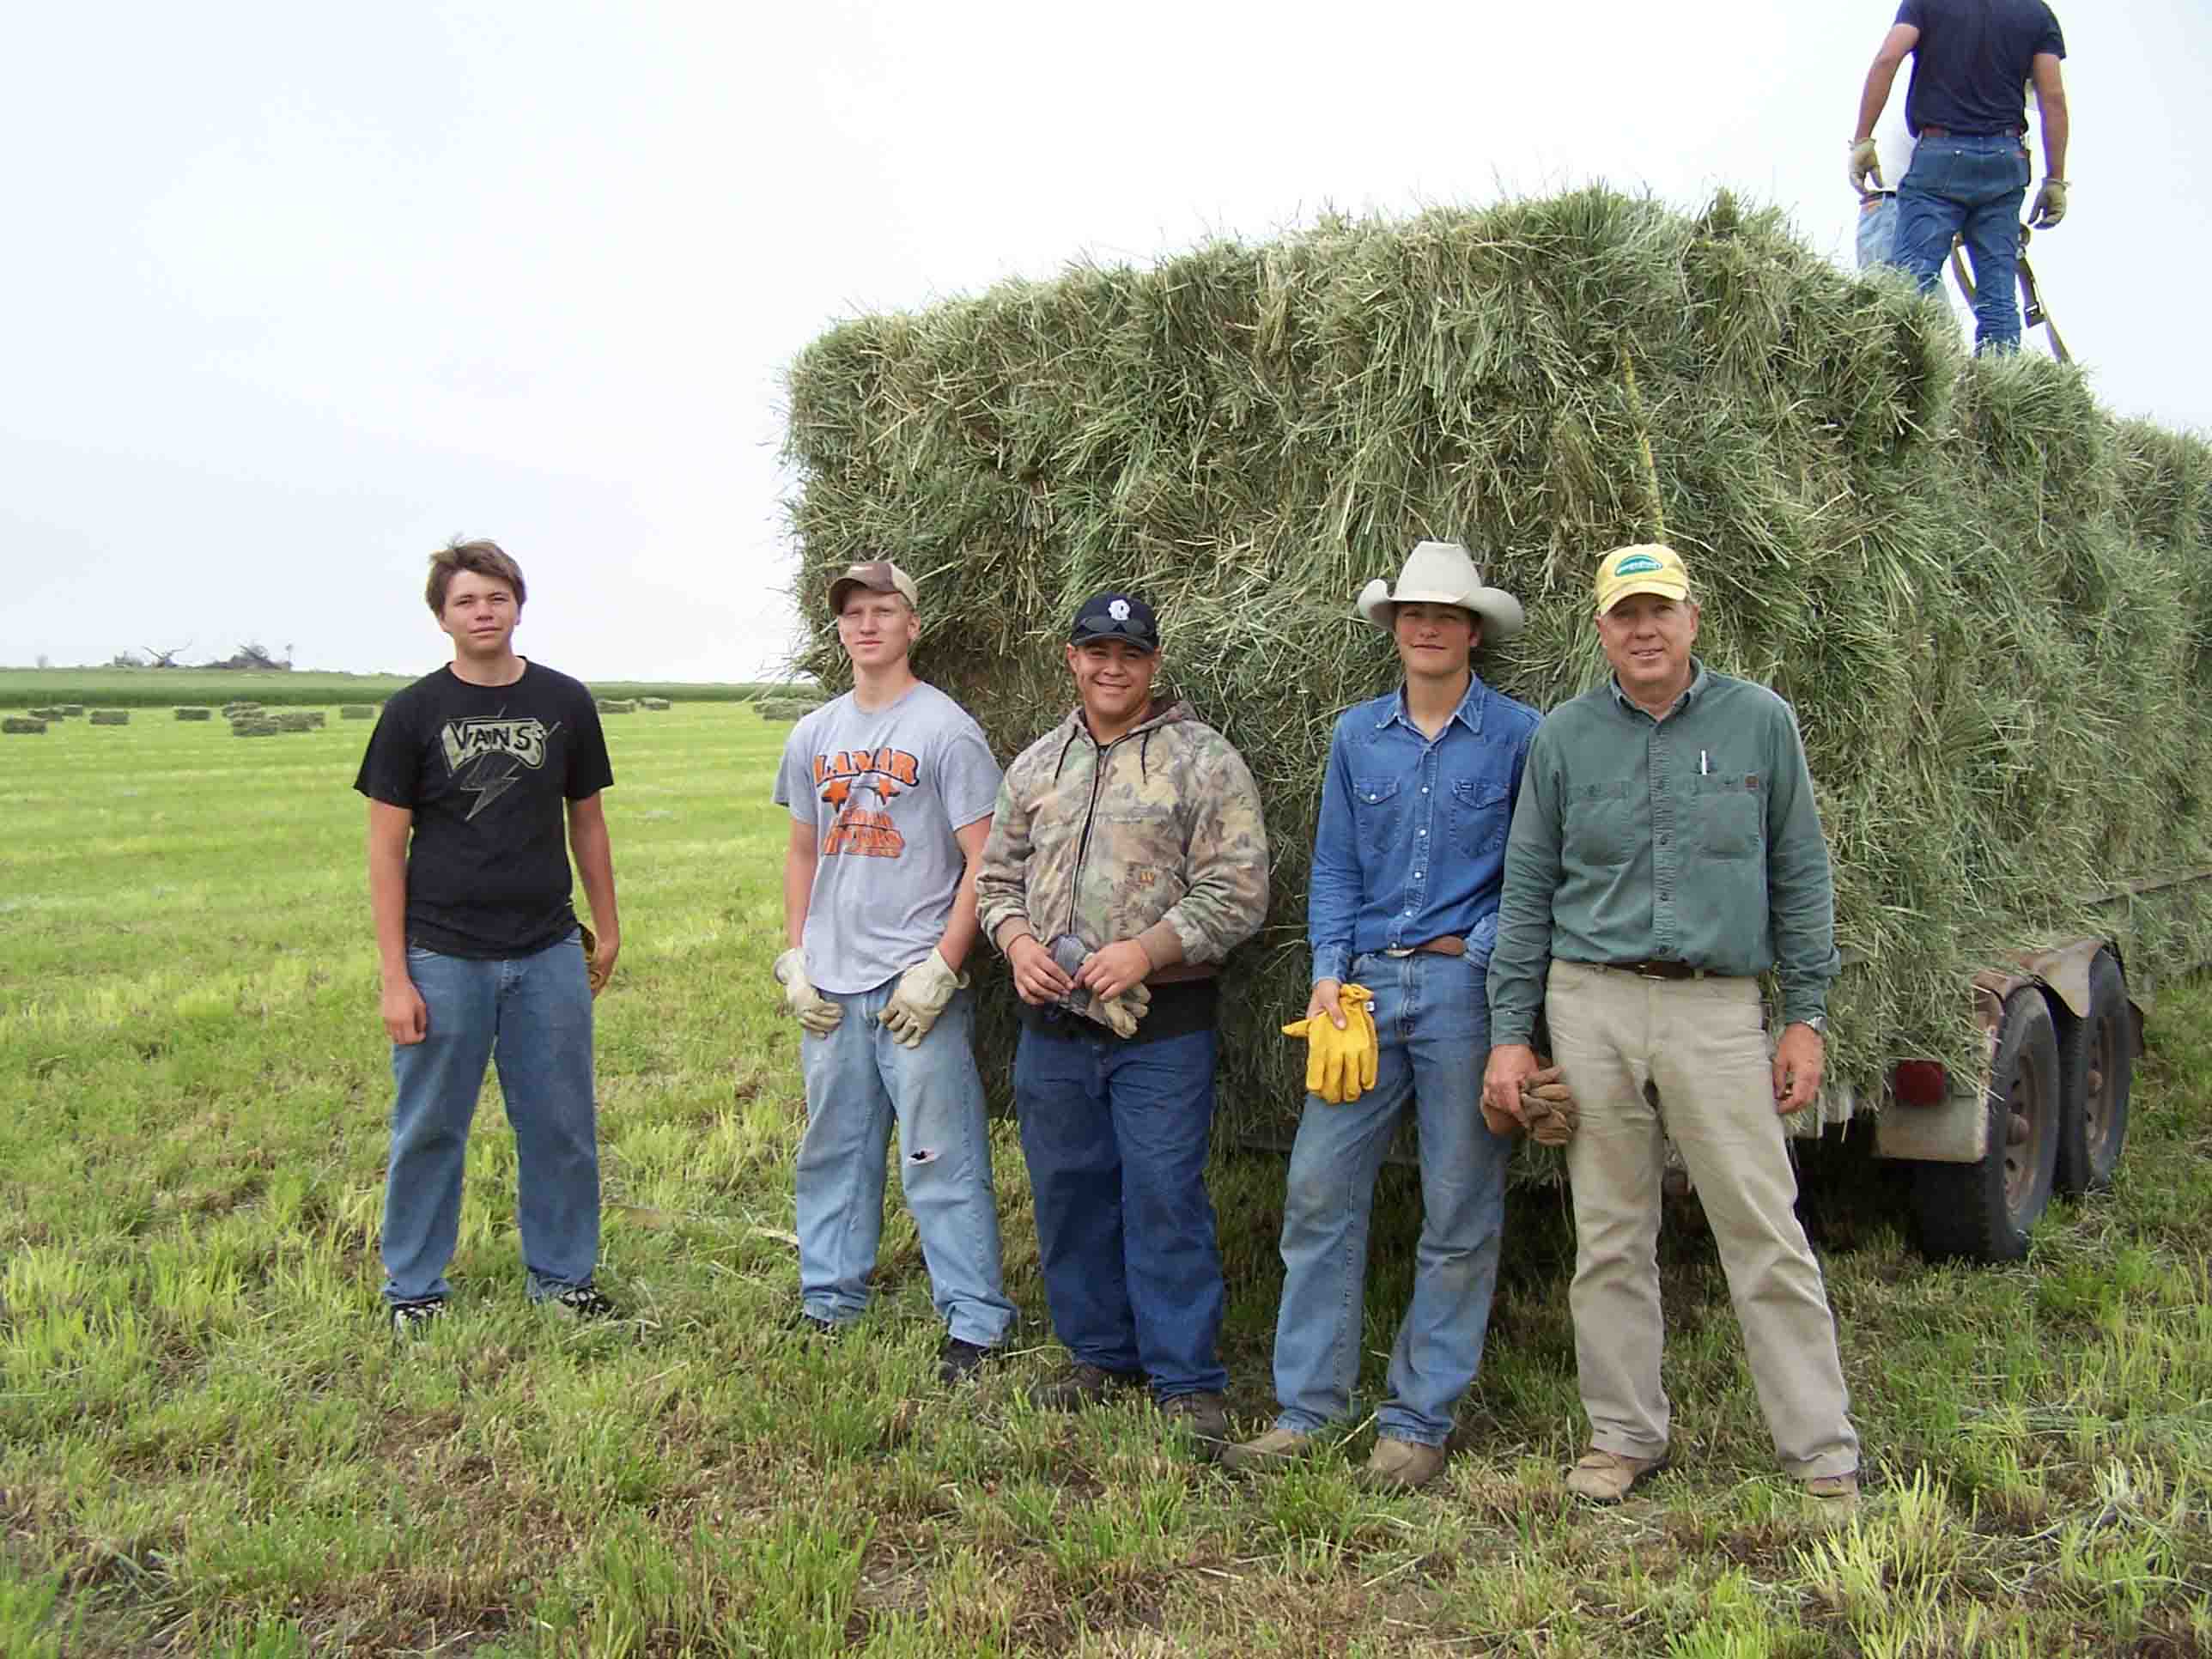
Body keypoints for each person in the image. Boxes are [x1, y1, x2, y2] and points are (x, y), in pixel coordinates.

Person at [1482, 543, 1861, 1511]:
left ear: (1693, 618)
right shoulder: (1562, 739)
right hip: (1590, 1000)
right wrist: (1509, 1032)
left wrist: (1804, 1015)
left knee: (1760, 1226)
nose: (1642, 630)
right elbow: (1525, 892)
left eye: (1659, 610)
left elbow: (1800, 875)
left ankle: (1820, 1451)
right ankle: (1621, 1436)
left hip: (1714, 1008)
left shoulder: (1759, 724)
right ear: (1600, 631)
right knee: (1608, 1234)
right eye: (1623, 615)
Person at [1221, 541, 1542, 1491]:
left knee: (1458, 1206)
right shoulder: (1356, 735)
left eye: (1444, 614)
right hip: (1359, 993)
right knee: (1317, 1193)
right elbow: (1333, 867)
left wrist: (1479, 958)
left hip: (1460, 994)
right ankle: (1305, 1411)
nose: (1427, 626)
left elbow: (1532, 875)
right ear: (1392, 627)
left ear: (1472, 629)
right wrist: (1326, 972)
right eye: (1411, 613)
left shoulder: (1519, 735)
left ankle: (1416, 1420)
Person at [975, 591, 1268, 1455]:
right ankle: (1098, 1354)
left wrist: (1146, 951)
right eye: (1095, 650)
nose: (1111, 666)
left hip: (1161, 1031)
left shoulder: (1202, 762)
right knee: (1069, 1191)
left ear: (1152, 665)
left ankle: (1185, 1379)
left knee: (1162, 1195)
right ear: (1070, 658)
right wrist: (1017, 941)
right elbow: (994, 881)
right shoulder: (1034, 767)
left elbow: (1240, 890)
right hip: (1053, 1027)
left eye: (1129, 654)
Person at [356, 538, 623, 1331]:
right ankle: (414, 1290)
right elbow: (384, 850)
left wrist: (606, 928)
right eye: (467, 601)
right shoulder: (411, 713)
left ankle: (564, 1278)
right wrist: (395, 976)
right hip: (442, 954)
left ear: (518, 605)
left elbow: (589, 821)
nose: (483, 612)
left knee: (563, 1126)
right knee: (431, 1127)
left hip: (546, 950)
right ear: (442, 616)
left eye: (496, 597)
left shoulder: (566, 702)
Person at [770, 559, 1017, 1383]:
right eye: (853, 613)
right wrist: (797, 955)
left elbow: (984, 863)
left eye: (884, 611)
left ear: (914, 624)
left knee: (939, 1156)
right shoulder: (813, 734)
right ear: (838, 629)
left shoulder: (947, 731)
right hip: (833, 987)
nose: (867, 625)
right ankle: (829, 1299)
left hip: (913, 986)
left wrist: (943, 968)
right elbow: (804, 850)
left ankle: (976, 1322)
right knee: (832, 1148)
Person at [1850, 0, 2069, 355]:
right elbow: (2053, 98)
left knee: (1911, 282)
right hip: (2005, 158)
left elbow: (1888, 58)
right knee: (1998, 300)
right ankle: (1999, 394)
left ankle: (1903, 384)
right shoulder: (2036, 13)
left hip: (1940, 152)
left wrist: (1862, 139)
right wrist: (2055, 180)